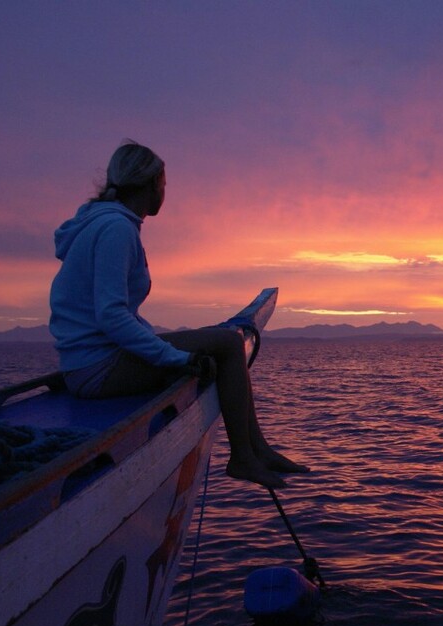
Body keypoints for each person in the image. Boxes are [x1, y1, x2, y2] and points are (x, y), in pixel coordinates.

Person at [49, 140, 305, 488]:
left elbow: (109, 313)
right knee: (229, 346)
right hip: (97, 367)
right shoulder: (116, 230)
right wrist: (175, 358)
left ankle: (257, 449)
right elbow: (111, 315)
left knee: (221, 343)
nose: (165, 193)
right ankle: (244, 457)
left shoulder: (101, 223)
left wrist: (161, 345)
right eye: (164, 184)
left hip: (85, 361)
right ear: (152, 185)